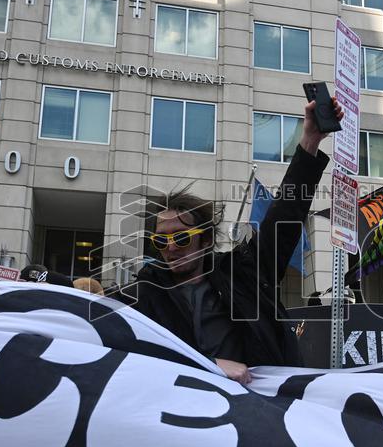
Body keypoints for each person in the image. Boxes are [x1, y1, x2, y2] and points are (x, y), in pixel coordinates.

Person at [115, 100, 341, 383]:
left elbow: (285, 215)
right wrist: (209, 365)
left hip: (255, 411)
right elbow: (116, 340)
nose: (170, 248)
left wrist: (310, 139)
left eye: (182, 238)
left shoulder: (243, 273)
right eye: (161, 241)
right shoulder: (144, 293)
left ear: (206, 239)